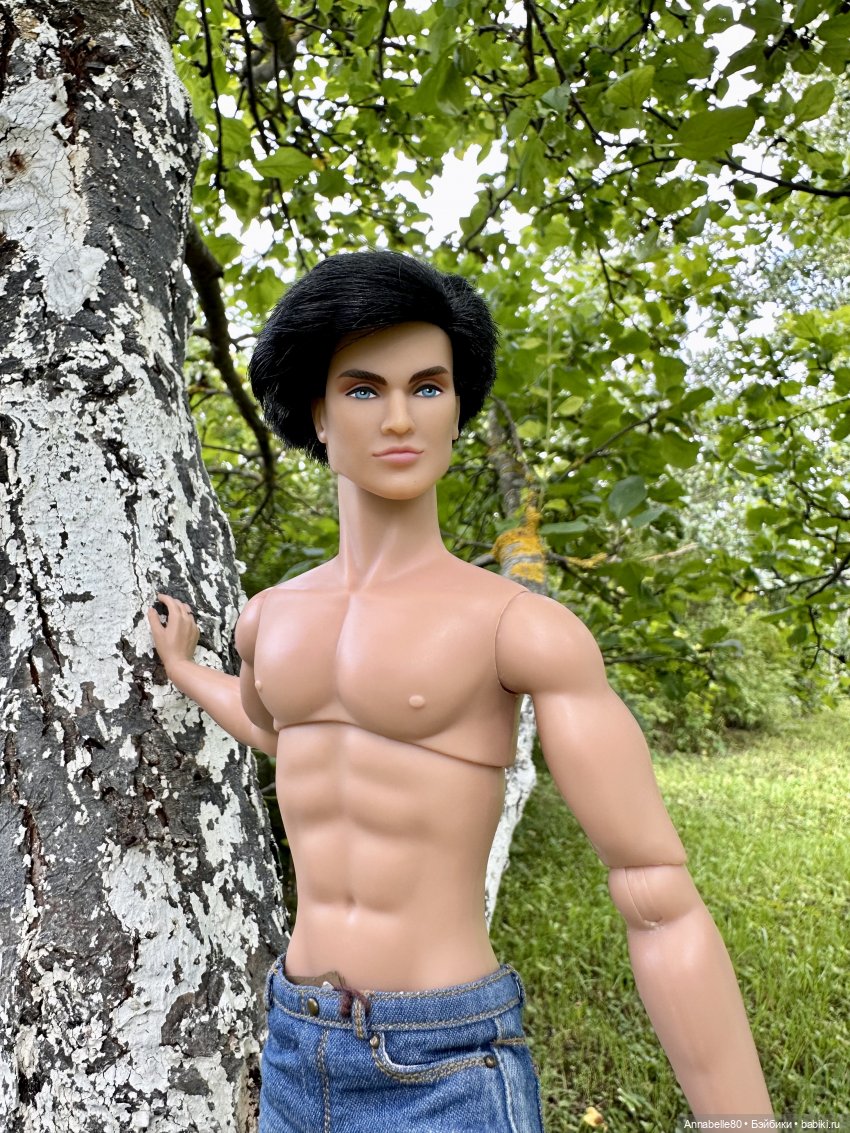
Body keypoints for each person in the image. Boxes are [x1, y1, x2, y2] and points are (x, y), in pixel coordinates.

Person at [148, 251, 772, 1131]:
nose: (400, 416)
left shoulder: (516, 628)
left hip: (444, 1063)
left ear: (456, 409)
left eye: (428, 386)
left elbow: (655, 892)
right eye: (363, 389)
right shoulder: (268, 619)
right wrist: (185, 670)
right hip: (295, 1043)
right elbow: (277, 732)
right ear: (318, 413)